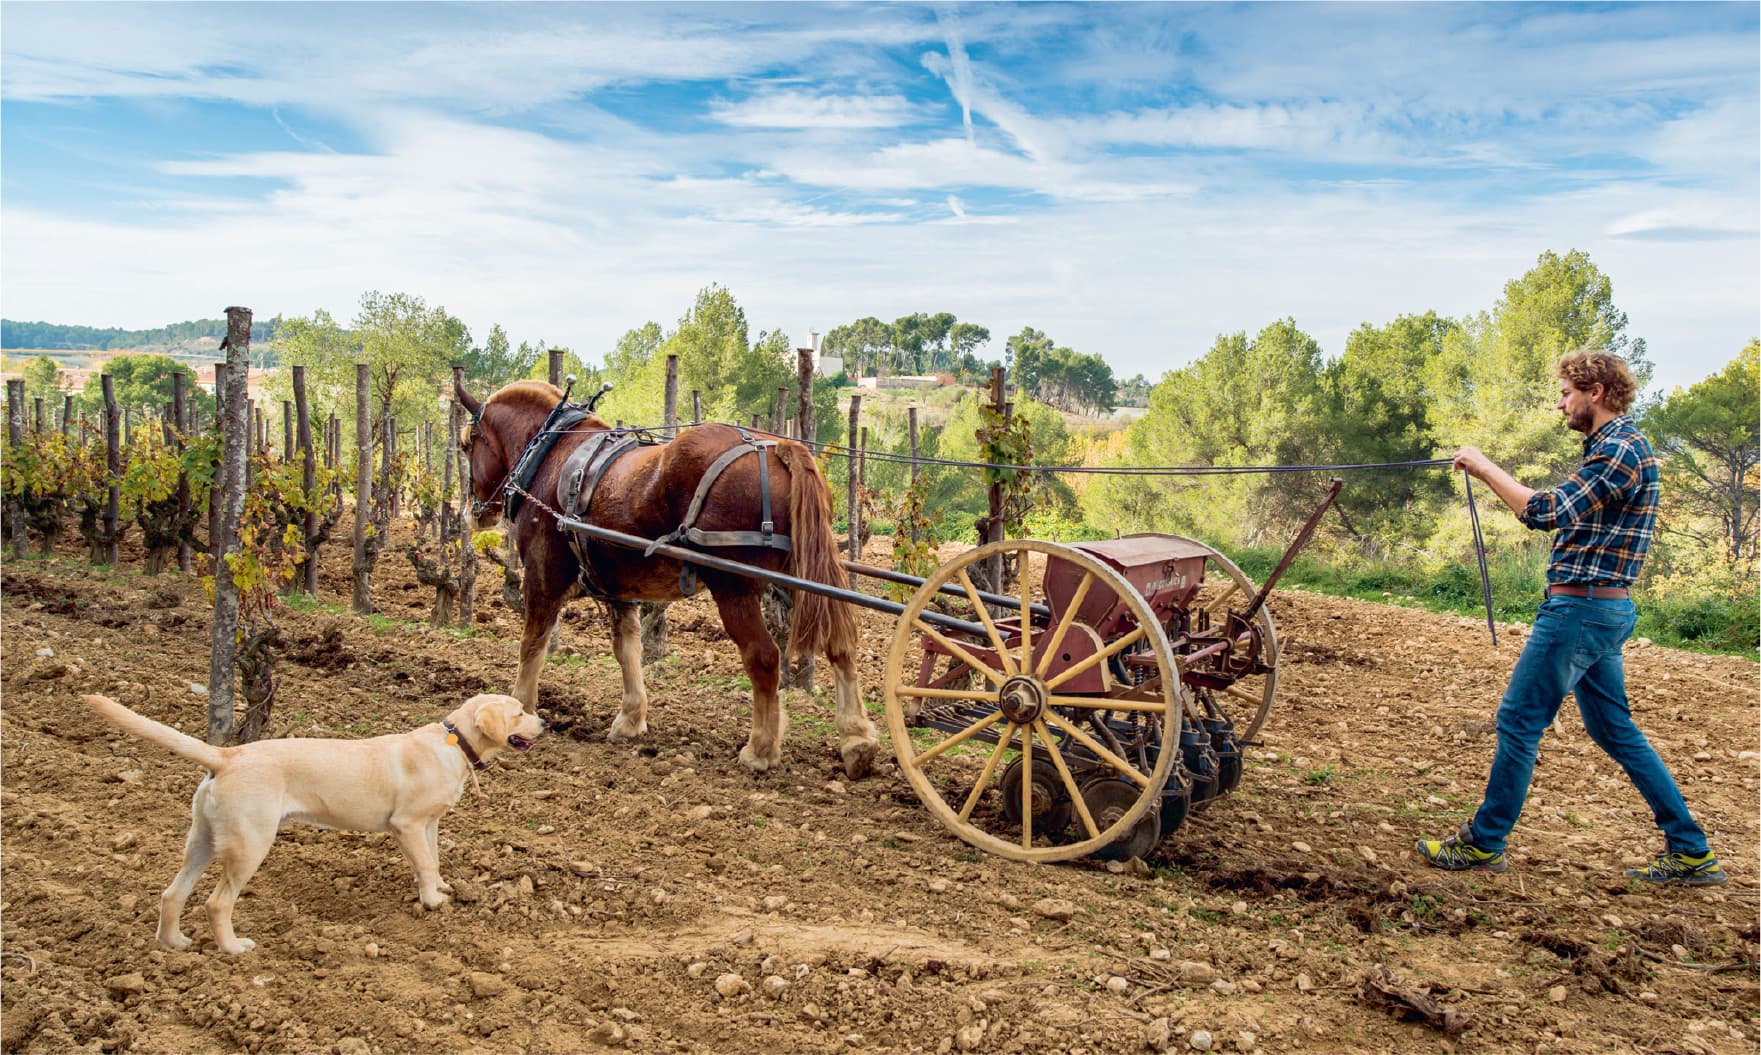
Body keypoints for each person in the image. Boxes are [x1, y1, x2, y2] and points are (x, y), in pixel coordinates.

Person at [1416, 349, 1725, 885]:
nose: (1560, 404)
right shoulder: (1611, 448)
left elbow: (1547, 512)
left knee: (1518, 720)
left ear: (1596, 391)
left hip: (1581, 607)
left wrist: (1486, 466)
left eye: (1565, 393)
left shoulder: (1621, 450)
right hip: (1598, 608)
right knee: (1614, 729)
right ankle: (1690, 849)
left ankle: (1485, 843)